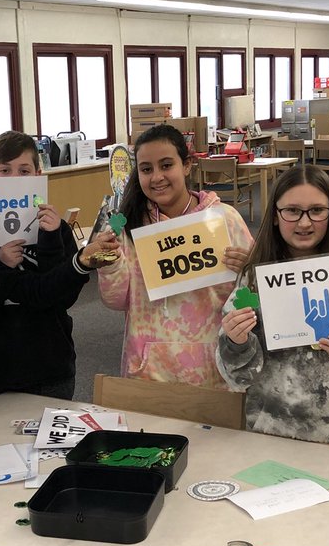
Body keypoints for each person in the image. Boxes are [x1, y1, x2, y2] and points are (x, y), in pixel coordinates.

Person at [216, 165, 329, 447]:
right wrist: (236, 341)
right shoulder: (254, 281)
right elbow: (236, 377)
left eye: (317, 211)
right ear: (274, 217)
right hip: (274, 432)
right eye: (292, 211)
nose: (305, 223)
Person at [98, 123, 253, 386]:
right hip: (148, 374)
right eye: (146, 169)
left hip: (211, 374)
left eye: (166, 165)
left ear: (187, 165)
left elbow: (248, 299)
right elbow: (116, 300)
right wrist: (109, 263)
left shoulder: (224, 220)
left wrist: (249, 270)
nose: (156, 177)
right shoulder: (128, 226)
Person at [0, 130, 88, 401]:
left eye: (24, 171)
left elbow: (66, 297)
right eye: (5, 170)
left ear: (38, 175)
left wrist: (50, 239)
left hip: (50, 362)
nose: (15, 179)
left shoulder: (56, 228)